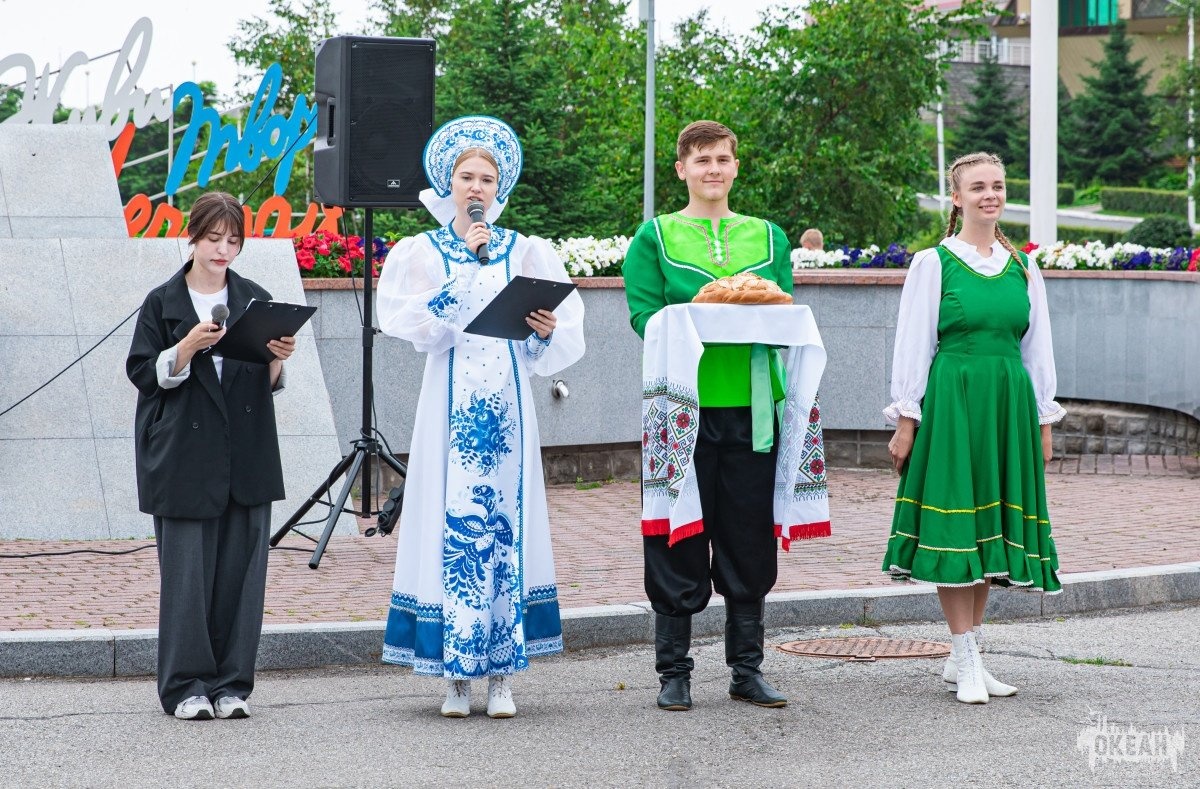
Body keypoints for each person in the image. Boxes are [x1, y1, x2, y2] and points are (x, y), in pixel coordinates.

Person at [375, 115, 585, 719]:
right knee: (451, 524)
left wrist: (543, 331)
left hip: (510, 407)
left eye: (487, 179)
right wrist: (463, 271)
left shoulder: (527, 249)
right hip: (449, 407)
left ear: (500, 187)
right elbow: (409, 325)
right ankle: (453, 678)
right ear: (448, 183)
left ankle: (501, 675)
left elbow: (562, 339)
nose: (476, 187)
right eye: (466, 177)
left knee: (505, 528)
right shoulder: (423, 252)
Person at [623, 120, 802, 712]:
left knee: (748, 535)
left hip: (753, 407)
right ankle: (673, 671)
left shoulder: (770, 237)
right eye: (701, 160)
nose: (713, 170)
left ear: (735, 166)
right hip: (681, 410)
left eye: (723, 159)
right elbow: (644, 319)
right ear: (681, 169)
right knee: (677, 533)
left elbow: (782, 313)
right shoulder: (654, 237)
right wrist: (700, 321)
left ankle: (746, 670)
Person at [881, 151, 1065, 705]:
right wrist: (906, 420)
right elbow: (914, 343)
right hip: (953, 403)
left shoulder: (1022, 266)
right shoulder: (933, 263)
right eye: (978, 186)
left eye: (998, 186)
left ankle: (970, 654)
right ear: (955, 197)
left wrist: (1043, 419)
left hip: (1007, 405)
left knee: (987, 528)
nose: (990, 194)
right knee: (956, 527)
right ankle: (963, 658)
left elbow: (1037, 348)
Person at [126, 191, 296, 720]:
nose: (223, 250)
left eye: (233, 240)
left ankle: (231, 686)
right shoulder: (162, 302)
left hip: (246, 454)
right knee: (187, 578)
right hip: (182, 455)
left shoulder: (255, 298)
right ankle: (185, 687)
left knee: (242, 576)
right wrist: (186, 348)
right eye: (213, 238)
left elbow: (266, 384)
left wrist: (276, 359)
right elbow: (142, 373)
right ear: (193, 236)